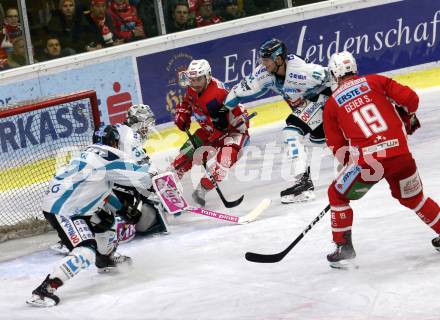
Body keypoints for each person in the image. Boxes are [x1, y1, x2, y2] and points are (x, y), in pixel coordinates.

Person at [323, 51, 440, 269]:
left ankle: (343, 248)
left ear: (334, 74)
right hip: (400, 157)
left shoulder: (331, 104)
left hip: (369, 165)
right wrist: (408, 117)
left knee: (337, 194)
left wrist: (350, 160)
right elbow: (410, 99)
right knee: (414, 198)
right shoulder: (376, 81)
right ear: (355, 69)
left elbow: (337, 146)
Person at [27, 124, 154, 307]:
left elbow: (100, 191)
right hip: (65, 211)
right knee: (86, 252)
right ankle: (44, 290)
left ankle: (105, 259)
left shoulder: (87, 154)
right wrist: (155, 176)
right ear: (114, 142)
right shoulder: (110, 155)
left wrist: (122, 209)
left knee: (106, 219)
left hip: (67, 204)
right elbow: (141, 177)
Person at [224, 38, 331, 204]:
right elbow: (238, 90)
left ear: (279, 59)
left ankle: (304, 184)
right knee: (317, 139)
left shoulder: (301, 71)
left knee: (291, 132)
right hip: (311, 111)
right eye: (262, 60)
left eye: (266, 60)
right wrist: (222, 110)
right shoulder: (265, 73)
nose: (263, 64)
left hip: (325, 102)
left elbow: (335, 77)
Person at [170, 59, 249, 206]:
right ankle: (168, 185)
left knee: (223, 163)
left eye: (198, 79)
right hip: (208, 131)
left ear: (208, 76)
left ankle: (202, 189)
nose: (195, 84)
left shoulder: (219, 94)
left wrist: (229, 126)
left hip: (233, 134)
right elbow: (187, 102)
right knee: (185, 154)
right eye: (192, 80)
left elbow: (242, 117)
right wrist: (183, 112)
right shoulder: (192, 88)